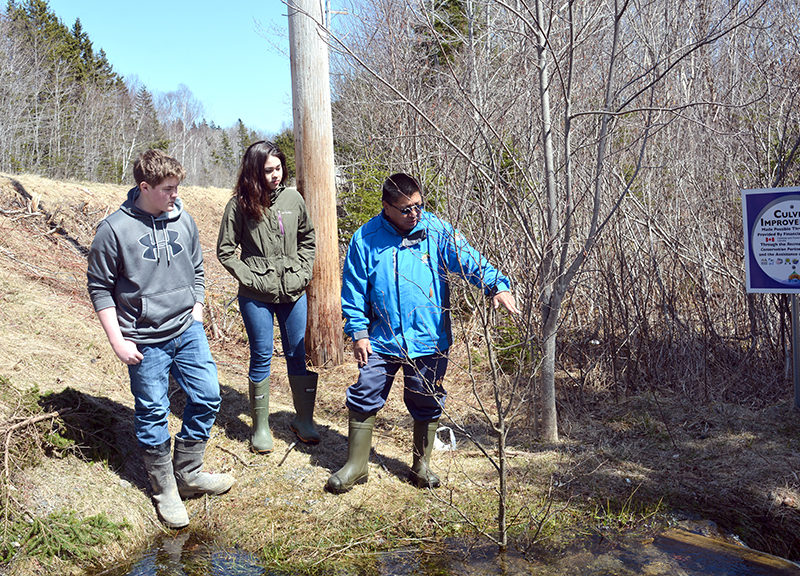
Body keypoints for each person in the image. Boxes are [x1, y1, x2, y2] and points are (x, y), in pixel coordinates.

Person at [326, 173, 519, 494]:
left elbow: (470, 260)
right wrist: (358, 331)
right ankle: (357, 466)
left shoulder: (437, 230)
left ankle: (421, 465)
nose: (414, 214)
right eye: (405, 209)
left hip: (429, 339)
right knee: (364, 395)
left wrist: (496, 285)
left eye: (418, 205)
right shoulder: (366, 238)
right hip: (381, 339)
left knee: (426, 400)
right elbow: (354, 290)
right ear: (386, 207)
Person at [87, 149, 234, 529]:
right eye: (168, 189)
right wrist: (118, 341)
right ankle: (164, 487)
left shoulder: (183, 218)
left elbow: (198, 268)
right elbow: (100, 289)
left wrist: (197, 309)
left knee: (208, 396)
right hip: (143, 339)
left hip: (187, 329)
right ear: (144, 187)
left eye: (177, 188)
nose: (175, 195)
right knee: (152, 412)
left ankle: (188, 473)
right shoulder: (113, 230)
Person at [216, 140, 318, 454]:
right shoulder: (239, 204)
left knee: (296, 355)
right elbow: (225, 251)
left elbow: (308, 240)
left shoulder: (293, 199)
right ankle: (259, 427)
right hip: (255, 296)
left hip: (293, 291)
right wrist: (251, 276)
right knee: (261, 355)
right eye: (267, 171)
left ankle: (304, 421)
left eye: (278, 168)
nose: (275, 175)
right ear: (254, 173)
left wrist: (302, 273)